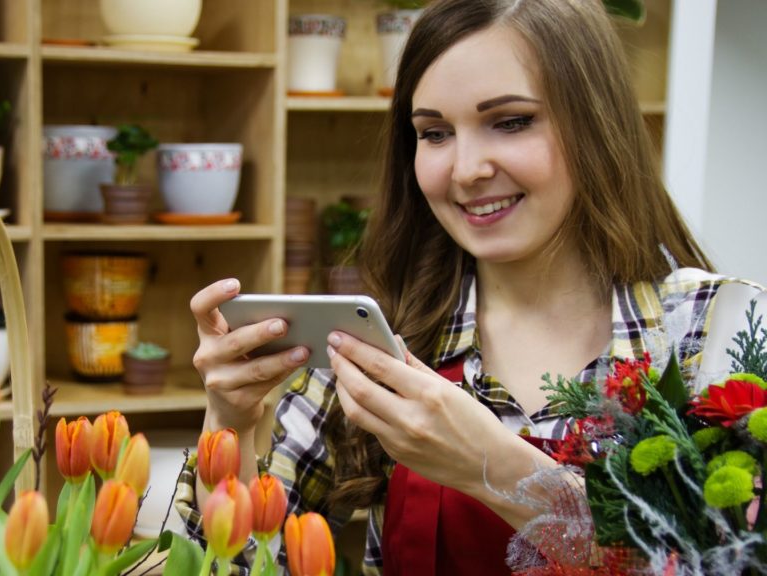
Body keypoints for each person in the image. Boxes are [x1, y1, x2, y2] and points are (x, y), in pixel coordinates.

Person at [177, 0, 765, 574]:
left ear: (595, 123)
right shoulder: (381, 343)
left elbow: (727, 557)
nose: (464, 170)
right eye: (434, 133)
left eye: (510, 122)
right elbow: (245, 562)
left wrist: (493, 467)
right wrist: (229, 421)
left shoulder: (716, 326)